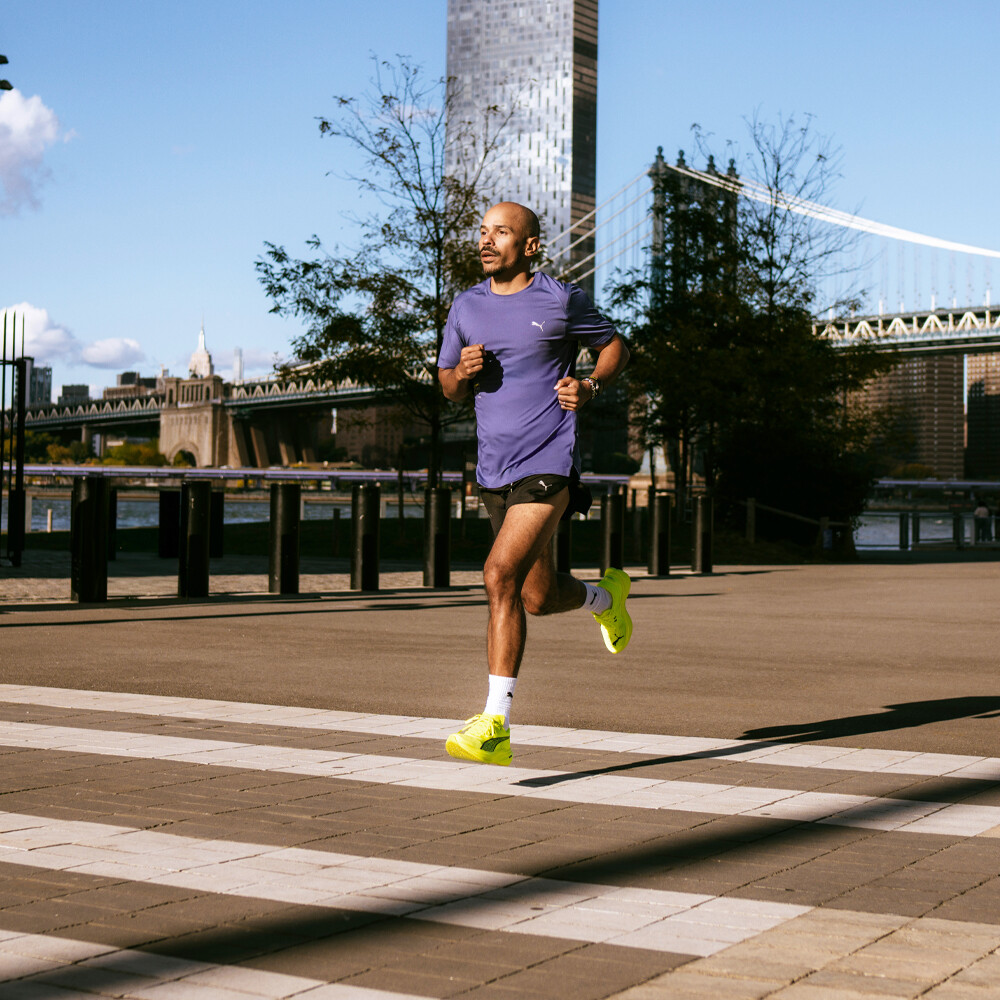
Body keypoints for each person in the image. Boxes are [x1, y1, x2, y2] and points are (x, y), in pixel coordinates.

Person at [436, 201, 631, 766]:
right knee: (536, 596)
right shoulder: (466, 306)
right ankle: (604, 597)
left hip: (548, 462)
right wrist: (462, 375)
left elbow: (615, 344)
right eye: (483, 231)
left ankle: (494, 724)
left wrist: (591, 386)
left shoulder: (561, 299)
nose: (487, 240)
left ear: (530, 246)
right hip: (494, 470)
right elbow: (447, 386)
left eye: (502, 232)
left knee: (497, 575)